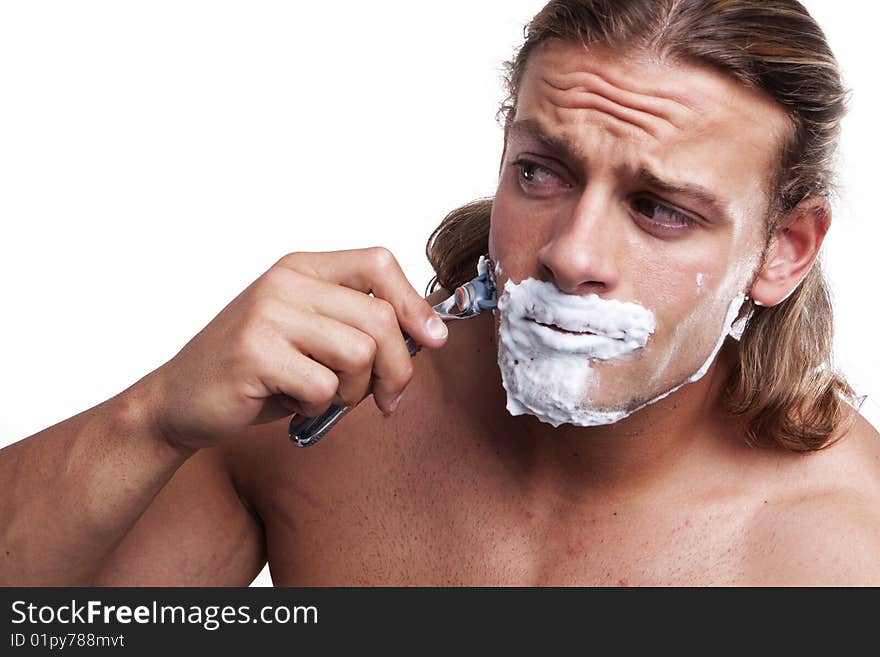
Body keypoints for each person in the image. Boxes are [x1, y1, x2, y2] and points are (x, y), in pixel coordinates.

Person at [2, 0, 879, 586]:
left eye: (658, 209)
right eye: (541, 172)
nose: (572, 253)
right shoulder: (320, 420)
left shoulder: (848, 546)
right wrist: (151, 417)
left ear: (784, 250)